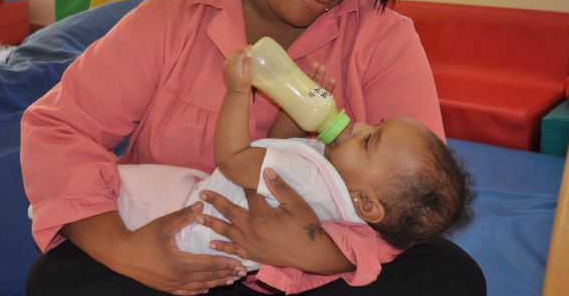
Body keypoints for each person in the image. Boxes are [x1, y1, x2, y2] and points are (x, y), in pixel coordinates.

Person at [20, 0, 486, 295]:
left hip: (315, 269)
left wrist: (315, 250)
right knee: (54, 280)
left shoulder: (384, 39)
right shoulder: (171, 21)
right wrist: (127, 251)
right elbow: (60, 127)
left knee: (450, 276)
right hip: (187, 250)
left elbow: (418, 196)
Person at [115, 48, 474, 293]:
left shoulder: (311, 176)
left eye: (369, 141)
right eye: (374, 125)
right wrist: (294, 114)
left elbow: (235, 157)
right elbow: (279, 147)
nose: (360, 126)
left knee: (113, 186)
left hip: (181, 218)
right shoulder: (344, 192)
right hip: (203, 233)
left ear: (368, 204)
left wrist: (238, 92)